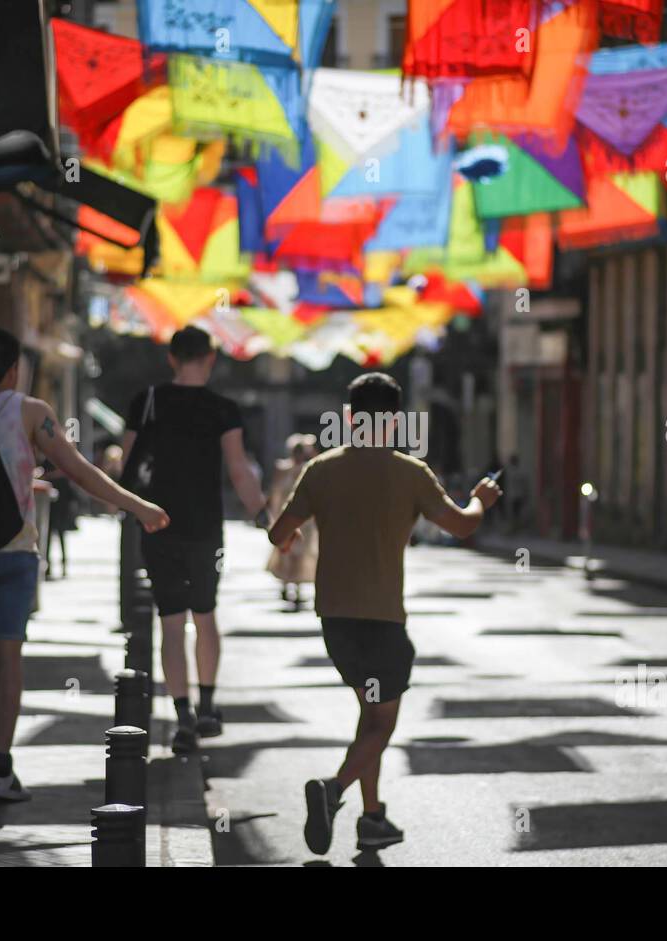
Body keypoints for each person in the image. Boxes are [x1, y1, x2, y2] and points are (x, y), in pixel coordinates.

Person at [0, 328, 168, 801]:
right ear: (12, 370)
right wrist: (138, 506)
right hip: (16, 554)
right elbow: (80, 471)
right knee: (7, 658)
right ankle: (0, 768)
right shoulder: (32, 413)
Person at [269, 372, 501, 855]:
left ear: (351, 418)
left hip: (334, 618)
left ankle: (372, 817)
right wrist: (481, 499)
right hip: (382, 619)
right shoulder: (410, 473)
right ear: (395, 421)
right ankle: (332, 791)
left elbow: (278, 533)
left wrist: (292, 536)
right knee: (381, 725)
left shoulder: (323, 469)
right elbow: (461, 525)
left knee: (367, 718)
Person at [120, 326, 268, 755]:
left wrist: (126, 508)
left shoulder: (146, 401)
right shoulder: (222, 409)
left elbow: (127, 465)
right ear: (210, 359)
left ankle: (181, 714)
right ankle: (206, 706)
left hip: (155, 524)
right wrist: (263, 513)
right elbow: (239, 470)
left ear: (171, 358)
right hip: (205, 528)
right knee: (205, 615)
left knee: (170, 621)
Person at [266, 433, 319, 609]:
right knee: (286, 551)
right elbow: (274, 492)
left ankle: (294, 587)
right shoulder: (283, 468)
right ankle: (286, 585)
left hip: (303, 520)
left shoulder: (306, 468)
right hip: (286, 515)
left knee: (298, 554)